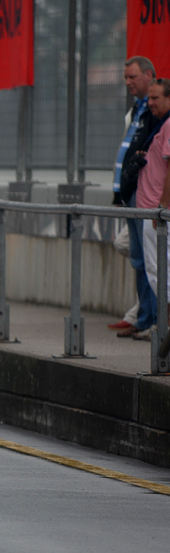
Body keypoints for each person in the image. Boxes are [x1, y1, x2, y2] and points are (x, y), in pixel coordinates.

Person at [112, 56, 159, 338]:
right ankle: (144, 316)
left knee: (148, 259)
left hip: (144, 195)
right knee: (139, 258)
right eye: (125, 78)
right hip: (129, 192)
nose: (128, 82)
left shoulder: (151, 111)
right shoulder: (138, 108)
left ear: (149, 75)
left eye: (133, 77)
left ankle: (152, 318)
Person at [132, 78, 170, 342]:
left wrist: (162, 207)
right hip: (149, 208)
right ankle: (164, 326)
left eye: (156, 97)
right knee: (155, 272)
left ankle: (165, 327)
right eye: (150, 98)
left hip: (156, 212)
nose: (151, 102)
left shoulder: (168, 125)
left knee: (159, 273)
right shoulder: (159, 124)